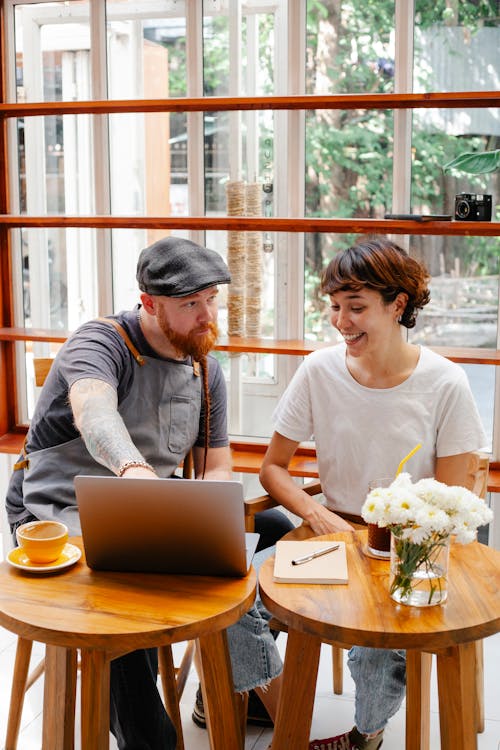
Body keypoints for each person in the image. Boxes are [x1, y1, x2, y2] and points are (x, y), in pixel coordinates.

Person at [5, 236, 292, 750]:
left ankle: (228, 682)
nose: (207, 317)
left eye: (211, 300)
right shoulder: (100, 341)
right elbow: (95, 411)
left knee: (275, 537)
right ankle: (150, 739)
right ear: (150, 304)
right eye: (190, 305)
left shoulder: (204, 368)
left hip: (155, 504)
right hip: (59, 506)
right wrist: (135, 472)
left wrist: (209, 514)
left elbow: (217, 463)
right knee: (120, 603)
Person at [259, 236, 487, 750]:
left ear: (397, 305)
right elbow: (273, 469)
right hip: (329, 537)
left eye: (356, 307)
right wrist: (318, 516)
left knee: (378, 639)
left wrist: (390, 545)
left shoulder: (445, 383)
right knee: (230, 605)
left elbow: (450, 498)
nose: (341, 321)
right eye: (336, 307)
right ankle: (277, 707)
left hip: (406, 546)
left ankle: (365, 735)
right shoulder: (319, 370)